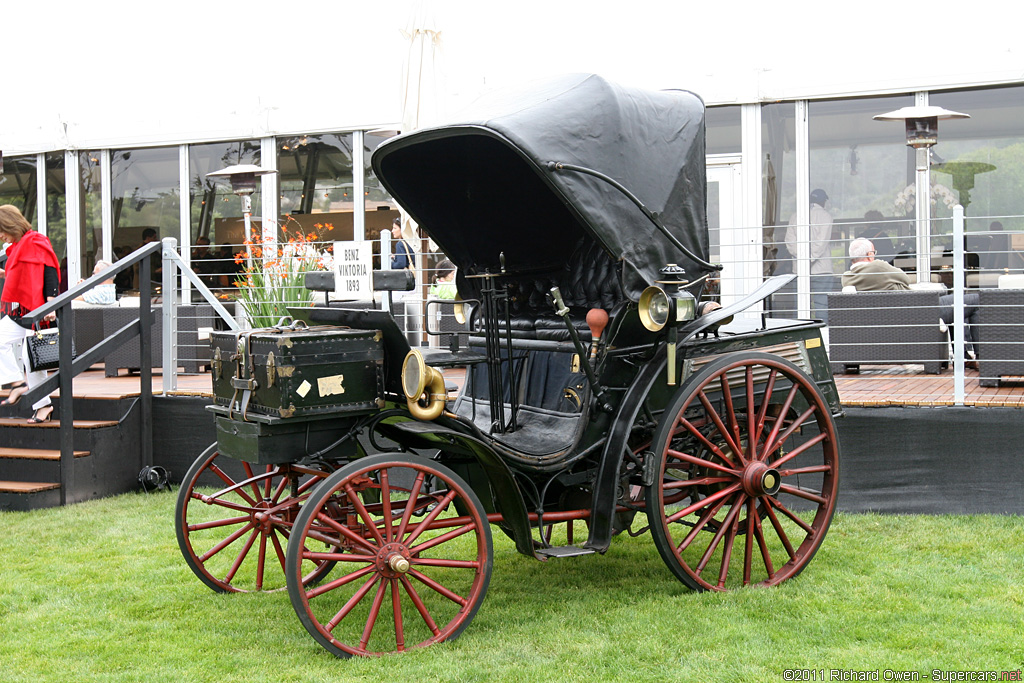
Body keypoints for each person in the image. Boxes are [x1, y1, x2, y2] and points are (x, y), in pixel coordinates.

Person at [842, 237, 980, 367]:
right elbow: (905, 278)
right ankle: (983, 358)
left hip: (900, 317)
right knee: (975, 300)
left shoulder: (847, 278)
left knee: (954, 305)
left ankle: (964, 356)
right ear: (869, 254)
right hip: (921, 312)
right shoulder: (878, 267)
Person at [0, 205, 61, 422]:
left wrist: (51, 306)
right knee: (4, 341)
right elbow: (20, 276)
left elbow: (50, 271)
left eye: (1, 230)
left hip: (38, 310)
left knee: (33, 359)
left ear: (10, 224)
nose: (0, 235)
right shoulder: (16, 247)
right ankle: (17, 383)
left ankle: (43, 407)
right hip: (20, 310)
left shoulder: (36, 241)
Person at [786, 188, 835, 323]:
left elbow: (790, 242)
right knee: (822, 306)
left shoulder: (795, 216)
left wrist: (802, 259)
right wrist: (810, 258)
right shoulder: (826, 216)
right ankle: (822, 334)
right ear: (824, 201)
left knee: (800, 307)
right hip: (821, 270)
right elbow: (821, 243)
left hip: (799, 270)